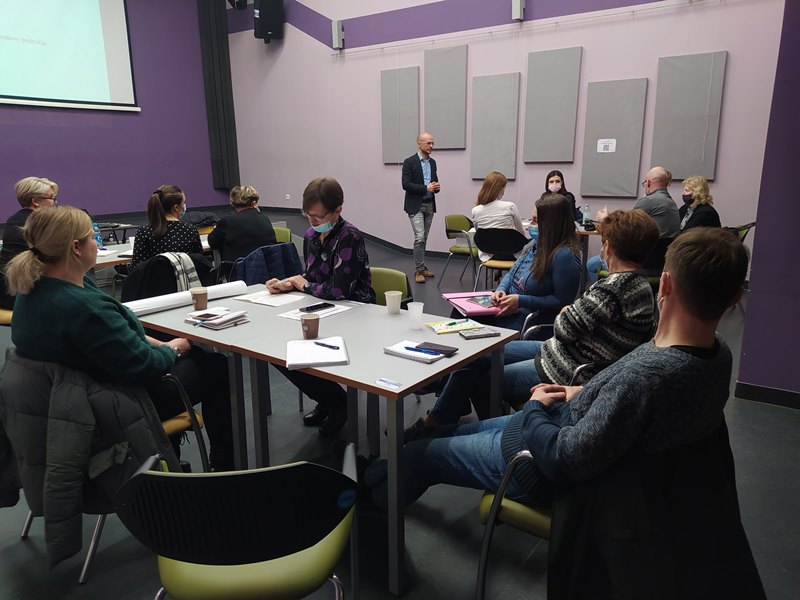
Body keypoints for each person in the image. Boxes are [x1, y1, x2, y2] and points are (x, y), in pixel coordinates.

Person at [366, 227, 749, 512]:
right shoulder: (718, 357)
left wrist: (534, 408)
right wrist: (581, 392)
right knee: (440, 436)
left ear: (664, 285)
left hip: (534, 460)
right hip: (557, 420)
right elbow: (623, 404)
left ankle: (363, 506)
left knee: (421, 456)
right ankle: (373, 477)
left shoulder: (649, 375)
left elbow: (566, 457)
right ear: (734, 297)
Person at [7, 206, 234, 470]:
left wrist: (157, 343)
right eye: (93, 237)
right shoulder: (85, 309)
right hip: (113, 404)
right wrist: (174, 349)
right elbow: (144, 366)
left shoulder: (34, 288)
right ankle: (223, 463)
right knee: (217, 367)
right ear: (76, 248)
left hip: (66, 401)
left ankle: (168, 457)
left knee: (191, 359)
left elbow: (111, 339)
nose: (97, 243)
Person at [405, 209, 660, 441]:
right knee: (478, 354)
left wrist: (567, 312)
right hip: (561, 352)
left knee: (484, 379)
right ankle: (441, 420)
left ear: (609, 247)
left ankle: (482, 435)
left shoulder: (611, 289)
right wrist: (568, 313)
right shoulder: (639, 286)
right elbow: (570, 318)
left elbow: (564, 327)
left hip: (566, 368)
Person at [266, 177, 375, 436]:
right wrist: (289, 284)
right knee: (279, 352)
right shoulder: (311, 236)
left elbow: (339, 291)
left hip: (354, 311)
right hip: (322, 306)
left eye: (318, 217)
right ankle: (328, 399)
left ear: (338, 210)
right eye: (308, 216)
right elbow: (313, 277)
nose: (313, 223)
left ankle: (337, 403)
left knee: (305, 348)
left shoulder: (349, 237)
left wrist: (302, 284)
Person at [488, 193, 581, 331]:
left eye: (536, 221)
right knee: (460, 316)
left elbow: (562, 301)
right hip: (508, 310)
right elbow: (512, 273)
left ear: (551, 224)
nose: (531, 225)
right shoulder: (533, 244)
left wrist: (520, 301)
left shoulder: (564, 256)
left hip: (529, 321)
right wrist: (501, 289)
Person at [587, 166, 681, 282]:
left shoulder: (648, 201)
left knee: (592, 264)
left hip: (640, 265)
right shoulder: (672, 204)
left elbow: (625, 230)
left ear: (648, 182)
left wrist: (605, 220)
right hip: (661, 266)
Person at [0, 177, 58, 309]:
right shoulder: (40, 222)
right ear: (36, 202)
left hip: (6, 291)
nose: (55, 203)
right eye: (51, 198)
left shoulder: (13, 219)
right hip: (24, 294)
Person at [402, 132, 440, 283]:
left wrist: (436, 187)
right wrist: (426, 188)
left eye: (432, 143)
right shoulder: (409, 162)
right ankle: (419, 270)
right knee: (419, 238)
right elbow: (405, 184)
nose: (431, 146)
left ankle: (422, 267)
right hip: (415, 205)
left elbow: (433, 182)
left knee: (424, 238)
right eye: (428, 143)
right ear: (419, 144)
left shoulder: (433, 163)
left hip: (429, 204)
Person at [132, 184, 202, 267]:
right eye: (183, 202)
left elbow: (137, 267)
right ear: (176, 208)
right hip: (184, 275)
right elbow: (200, 263)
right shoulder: (190, 230)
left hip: (155, 275)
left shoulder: (144, 232)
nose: (184, 205)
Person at [207, 185, 277, 262]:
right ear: (254, 202)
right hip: (266, 265)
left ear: (232, 202)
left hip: (239, 267)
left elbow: (212, 243)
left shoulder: (227, 221)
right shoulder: (264, 218)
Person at [471, 171, 527, 262]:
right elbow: (521, 232)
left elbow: (480, 232)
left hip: (488, 255)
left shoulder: (475, 210)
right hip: (513, 254)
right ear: (500, 188)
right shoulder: (510, 206)